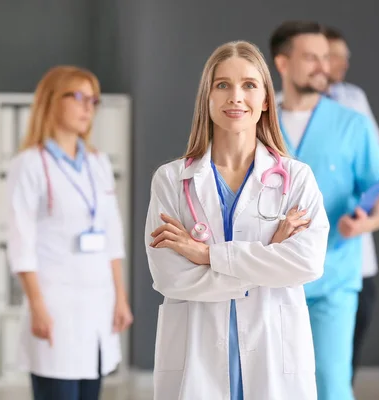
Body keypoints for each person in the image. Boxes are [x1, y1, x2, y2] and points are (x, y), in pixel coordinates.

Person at [145, 40, 330, 400]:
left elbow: (307, 263)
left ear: (265, 100)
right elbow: (170, 276)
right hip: (196, 361)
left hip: (273, 360)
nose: (235, 97)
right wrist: (269, 255)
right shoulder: (171, 180)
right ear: (208, 98)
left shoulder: (296, 178)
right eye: (223, 85)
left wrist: (207, 256)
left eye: (249, 85)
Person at [269, 21, 379, 400]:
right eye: (311, 57)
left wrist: (366, 222)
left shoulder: (352, 124)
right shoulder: (259, 123)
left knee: (331, 386)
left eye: (326, 57)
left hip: (333, 278)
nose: (323, 66)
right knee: (272, 385)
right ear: (282, 63)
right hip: (269, 277)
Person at [6, 65, 133, 400]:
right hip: (55, 301)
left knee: (90, 390)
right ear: (51, 101)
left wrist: (119, 296)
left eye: (93, 100)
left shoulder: (98, 162)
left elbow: (112, 234)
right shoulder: (30, 164)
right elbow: (22, 243)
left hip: (98, 300)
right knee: (58, 387)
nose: (88, 107)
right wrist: (37, 305)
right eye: (78, 97)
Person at [323, 25, 379, 383]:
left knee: (349, 349)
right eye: (333, 56)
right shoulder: (286, 107)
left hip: (354, 244)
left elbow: (375, 164)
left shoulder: (353, 99)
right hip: (315, 252)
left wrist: (367, 210)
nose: (341, 64)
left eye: (345, 57)